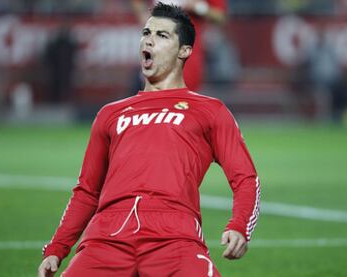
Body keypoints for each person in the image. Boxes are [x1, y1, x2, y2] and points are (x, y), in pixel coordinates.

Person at [38, 3, 260, 276]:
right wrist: (57, 248)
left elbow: (246, 178)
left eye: (162, 35)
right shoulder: (110, 113)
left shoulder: (210, 110)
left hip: (175, 236)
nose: (149, 39)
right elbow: (87, 191)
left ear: (185, 51)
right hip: (105, 236)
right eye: (146, 32)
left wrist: (239, 226)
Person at [131, 0, 226, 92]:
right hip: (157, 47)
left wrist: (199, 7)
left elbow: (220, 16)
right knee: (154, 95)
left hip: (186, 53)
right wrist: (143, 16)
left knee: (185, 97)